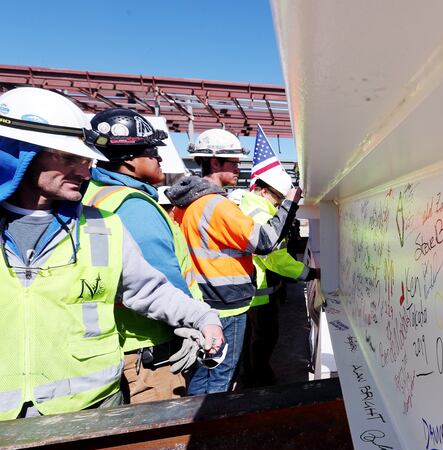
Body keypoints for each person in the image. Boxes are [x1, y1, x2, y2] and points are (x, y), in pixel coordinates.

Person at [0, 87, 224, 420]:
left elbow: (149, 289)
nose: (85, 171)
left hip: (93, 409)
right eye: (68, 156)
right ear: (21, 154)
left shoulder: (103, 226)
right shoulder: (132, 206)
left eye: (87, 159)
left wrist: (202, 317)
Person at [166, 128, 302, 395]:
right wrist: (289, 204)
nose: (239, 169)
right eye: (234, 163)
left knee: (204, 372)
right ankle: (211, 428)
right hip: (225, 304)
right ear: (215, 162)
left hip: (201, 299)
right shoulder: (217, 205)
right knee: (219, 377)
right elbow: (264, 242)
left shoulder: (186, 205)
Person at [82, 108, 203, 403]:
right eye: (151, 151)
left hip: (121, 342)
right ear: (128, 159)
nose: (159, 157)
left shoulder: (95, 193)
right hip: (151, 349)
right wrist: (189, 323)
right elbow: (161, 278)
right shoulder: (133, 205)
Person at [238, 170, 320, 387]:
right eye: (277, 198)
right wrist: (309, 273)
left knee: (250, 340)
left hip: (251, 290)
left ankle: (249, 377)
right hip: (261, 294)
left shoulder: (250, 207)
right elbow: (274, 258)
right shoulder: (261, 214)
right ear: (263, 191)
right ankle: (261, 382)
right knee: (264, 338)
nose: (278, 204)